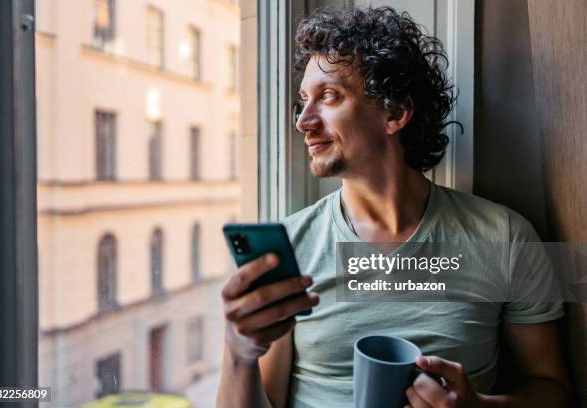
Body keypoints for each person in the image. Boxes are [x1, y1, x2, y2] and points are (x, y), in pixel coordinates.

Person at [216, 6, 569, 408]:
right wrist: (238, 352)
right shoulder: (290, 249)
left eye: (328, 96)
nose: (303, 121)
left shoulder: (504, 238)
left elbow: (554, 390)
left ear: (395, 112)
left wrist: (479, 407)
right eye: (303, 101)